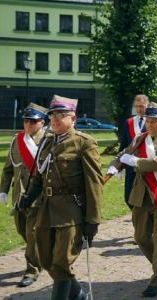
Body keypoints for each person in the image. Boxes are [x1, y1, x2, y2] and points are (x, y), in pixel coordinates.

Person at [19, 95, 104, 300]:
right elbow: (39, 176)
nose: (54, 120)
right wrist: (29, 196)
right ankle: (79, 296)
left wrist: (92, 220)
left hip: (71, 212)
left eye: (60, 115)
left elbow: (94, 184)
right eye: (52, 116)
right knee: (48, 262)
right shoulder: (47, 143)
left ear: (72, 119)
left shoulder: (84, 143)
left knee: (62, 263)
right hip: (47, 211)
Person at [107, 106, 157, 297]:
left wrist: (136, 162)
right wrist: (114, 167)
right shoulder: (140, 138)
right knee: (140, 237)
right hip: (141, 196)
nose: (149, 124)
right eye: (147, 121)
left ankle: (156, 280)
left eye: (153, 121)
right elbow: (124, 152)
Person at [0, 103, 47, 287]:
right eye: (26, 121)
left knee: (32, 233)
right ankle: (41, 254)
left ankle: (32, 270)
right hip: (19, 196)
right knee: (22, 230)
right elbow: (8, 169)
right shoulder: (16, 140)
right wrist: (3, 189)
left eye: (33, 121)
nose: (28, 125)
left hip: (38, 197)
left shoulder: (48, 141)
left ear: (42, 122)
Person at [119, 94, 149, 209]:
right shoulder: (129, 122)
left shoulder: (152, 121)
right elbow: (124, 144)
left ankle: (142, 220)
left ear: (147, 105)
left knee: (144, 197)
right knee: (128, 197)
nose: (139, 109)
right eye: (137, 106)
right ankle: (137, 217)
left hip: (145, 164)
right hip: (130, 165)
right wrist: (120, 165)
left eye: (142, 106)